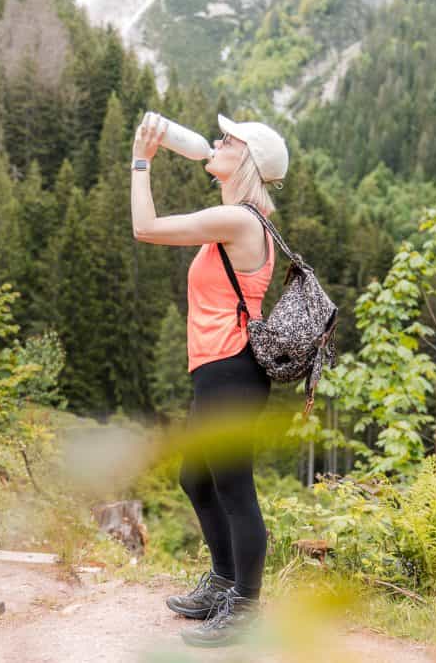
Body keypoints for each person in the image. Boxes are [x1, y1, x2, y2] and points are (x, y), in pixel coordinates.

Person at [129, 112, 289, 647]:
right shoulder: (236, 218)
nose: (215, 142)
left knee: (234, 487)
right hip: (217, 370)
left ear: (244, 159)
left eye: (228, 139)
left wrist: (142, 161)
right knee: (197, 479)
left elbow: (145, 229)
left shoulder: (240, 220)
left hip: (233, 371)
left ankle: (245, 605)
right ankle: (223, 584)